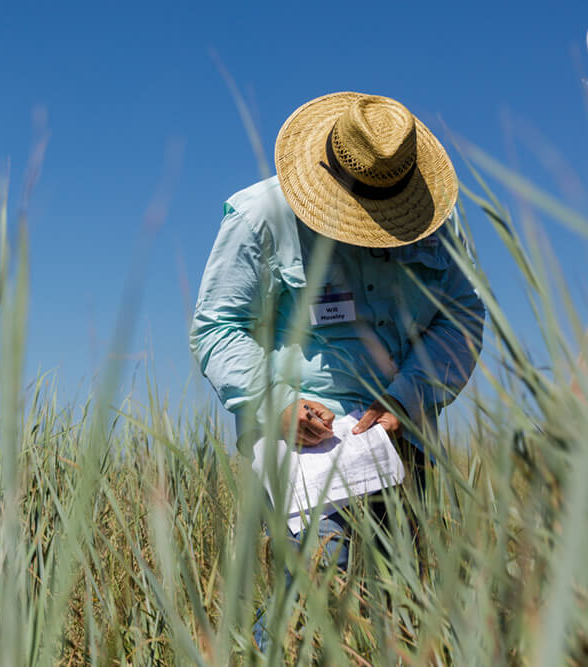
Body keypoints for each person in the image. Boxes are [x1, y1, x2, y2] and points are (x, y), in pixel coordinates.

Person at [189, 92, 485, 648]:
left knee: (394, 608)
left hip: (403, 442)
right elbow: (216, 326)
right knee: (318, 593)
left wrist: (408, 398)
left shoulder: (435, 221)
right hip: (301, 449)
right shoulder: (260, 214)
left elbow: (463, 317)